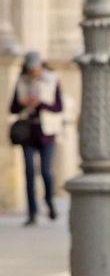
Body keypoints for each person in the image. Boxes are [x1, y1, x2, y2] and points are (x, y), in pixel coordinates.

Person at [8, 51, 64, 226]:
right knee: (30, 173)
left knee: (46, 171)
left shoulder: (52, 80)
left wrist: (41, 103)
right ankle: (32, 212)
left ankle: (49, 201)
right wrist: (23, 103)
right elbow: (12, 108)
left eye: (36, 68)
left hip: (47, 131)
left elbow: (58, 106)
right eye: (31, 69)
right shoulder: (21, 81)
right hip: (27, 132)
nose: (34, 72)